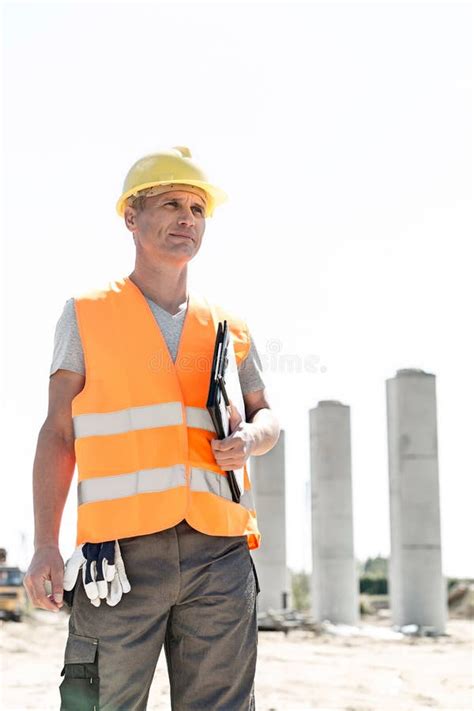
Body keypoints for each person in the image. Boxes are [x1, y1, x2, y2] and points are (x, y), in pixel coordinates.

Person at [23, 146, 281, 710]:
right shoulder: (86, 313)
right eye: (170, 203)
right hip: (116, 559)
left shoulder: (228, 325)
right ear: (131, 218)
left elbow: (267, 416)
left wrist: (252, 439)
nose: (186, 218)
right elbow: (57, 433)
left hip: (219, 553)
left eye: (196, 208)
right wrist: (46, 542)